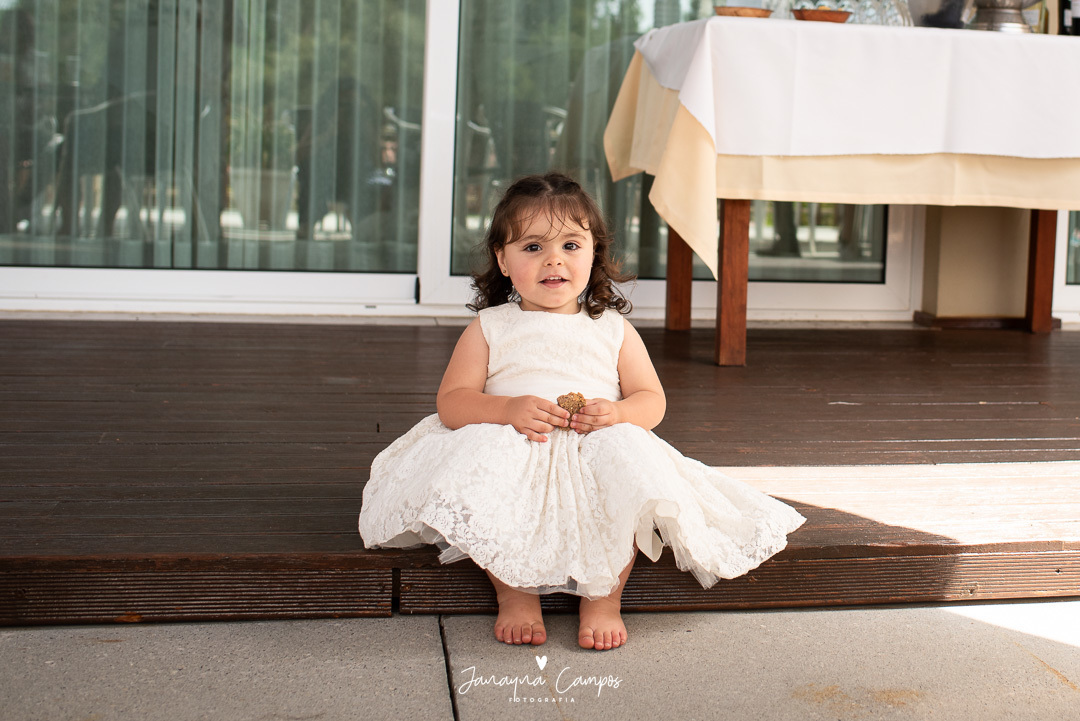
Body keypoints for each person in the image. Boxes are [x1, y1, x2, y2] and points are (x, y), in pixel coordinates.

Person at [358, 172, 806, 651]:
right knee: (485, 484)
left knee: (627, 484)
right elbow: (452, 401)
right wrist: (506, 408)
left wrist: (617, 414)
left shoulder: (612, 329)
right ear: (503, 260)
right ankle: (514, 592)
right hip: (515, 439)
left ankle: (604, 598)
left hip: (596, 441)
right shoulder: (490, 327)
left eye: (571, 245)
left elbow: (651, 399)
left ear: (594, 256)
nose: (554, 259)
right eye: (533, 247)